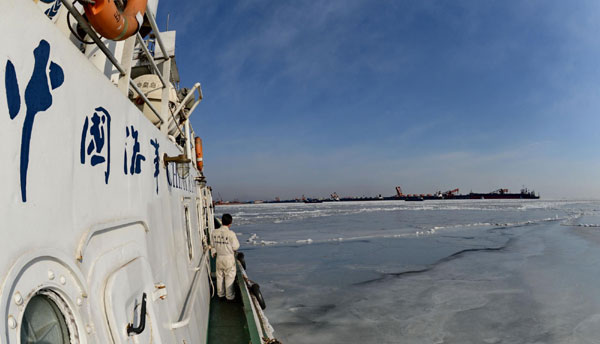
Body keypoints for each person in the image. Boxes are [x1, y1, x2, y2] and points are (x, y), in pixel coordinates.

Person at [211, 213, 240, 300]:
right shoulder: (231, 234)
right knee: (229, 277)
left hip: (219, 257)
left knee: (219, 276)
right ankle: (229, 296)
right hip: (228, 258)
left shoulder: (214, 232)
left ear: (221, 221)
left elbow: (212, 245)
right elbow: (236, 246)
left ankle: (220, 294)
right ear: (230, 223)